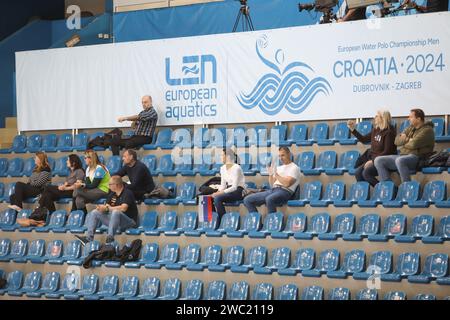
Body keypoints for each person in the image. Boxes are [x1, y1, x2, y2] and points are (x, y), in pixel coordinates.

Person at [374, 108, 435, 183]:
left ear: (418, 119)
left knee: (400, 160)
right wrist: (409, 140)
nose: (408, 119)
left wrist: (404, 141)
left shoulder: (427, 130)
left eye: (411, 117)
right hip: (403, 155)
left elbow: (413, 144)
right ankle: (389, 187)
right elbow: (396, 141)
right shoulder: (410, 128)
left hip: (417, 157)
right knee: (378, 160)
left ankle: (406, 187)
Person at [75, 175, 137, 245]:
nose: (108, 186)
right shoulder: (112, 194)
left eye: (110, 184)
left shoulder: (127, 193)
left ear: (116, 185)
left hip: (129, 222)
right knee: (95, 212)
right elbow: (107, 206)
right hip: (115, 222)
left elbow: (123, 208)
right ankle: (88, 238)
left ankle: (110, 237)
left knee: (115, 212)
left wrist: (109, 208)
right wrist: (102, 208)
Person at [243, 147, 301, 214]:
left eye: (283, 155)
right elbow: (272, 184)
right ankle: (257, 221)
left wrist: (276, 174)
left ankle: (272, 222)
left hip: (285, 192)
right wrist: (270, 174)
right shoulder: (279, 168)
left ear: (289, 154)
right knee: (247, 200)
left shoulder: (294, 168)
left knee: (269, 199)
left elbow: (287, 183)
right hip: (273, 190)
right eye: (279, 156)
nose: (281, 158)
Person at [347, 110, 396, 187]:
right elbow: (364, 139)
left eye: (377, 116)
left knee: (366, 173)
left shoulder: (389, 132)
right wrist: (353, 129)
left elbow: (387, 151)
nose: (374, 117)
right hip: (373, 160)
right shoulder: (376, 130)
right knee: (358, 173)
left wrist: (372, 161)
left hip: (383, 161)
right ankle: (365, 194)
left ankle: (385, 189)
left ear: (383, 118)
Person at [211, 148, 246, 218]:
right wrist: (216, 192)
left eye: (222, 155)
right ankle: (213, 219)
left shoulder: (237, 168)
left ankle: (223, 219)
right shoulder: (222, 168)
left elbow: (234, 187)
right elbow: (223, 186)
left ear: (228, 157)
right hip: (228, 190)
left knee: (217, 198)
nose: (221, 157)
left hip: (238, 191)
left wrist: (219, 193)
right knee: (208, 198)